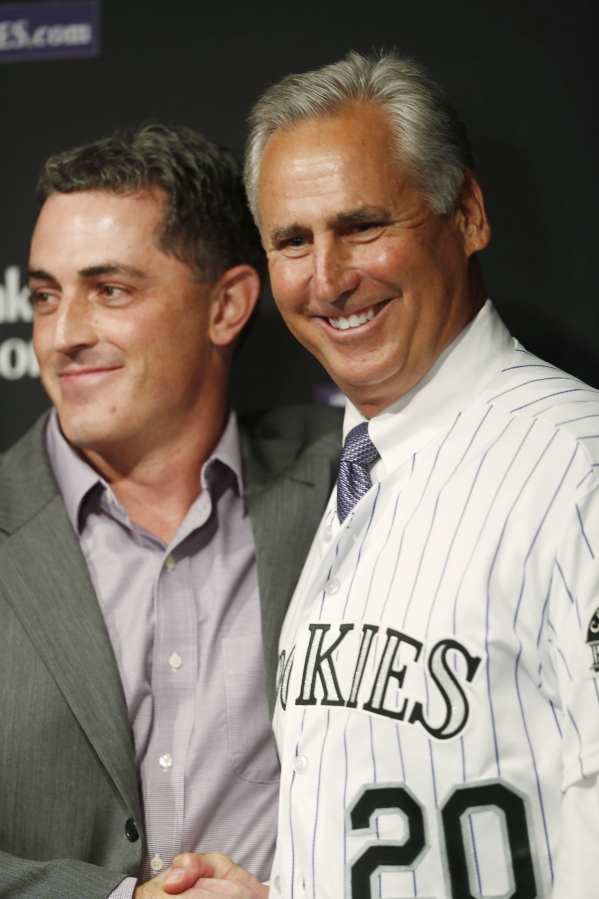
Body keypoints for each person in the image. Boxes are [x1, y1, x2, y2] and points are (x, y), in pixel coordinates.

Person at [178, 51, 599, 898]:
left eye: (362, 225)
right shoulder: (358, 467)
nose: (328, 279)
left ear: (468, 214)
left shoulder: (576, 462)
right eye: (293, 241)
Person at [0, 123, 342, 899]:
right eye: (47, 296)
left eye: (110, 290)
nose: (62, 336)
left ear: (226, 306)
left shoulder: (347, 482)